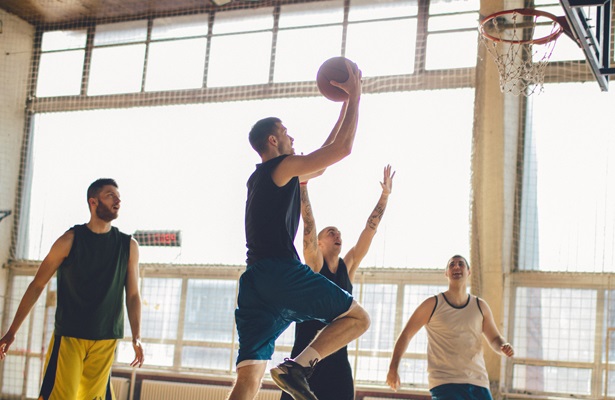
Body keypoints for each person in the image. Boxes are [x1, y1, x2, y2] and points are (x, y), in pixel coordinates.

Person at [227, 59, 370, 400]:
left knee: (248, 381)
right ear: (274, 140)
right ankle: (298, 366)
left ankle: (294, 367)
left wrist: (346, 104)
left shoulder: (263, 177)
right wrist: (357, 95)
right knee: (358, 319)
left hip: (255, 282)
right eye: (287, 132)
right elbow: (342, 150)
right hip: (279, 272)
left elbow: (322, 157)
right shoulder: (281, 166)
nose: (293, 137)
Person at [0, 178, 144, 400]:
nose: (118, 200)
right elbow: (37, 285)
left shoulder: (128, 246)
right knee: (61, 397)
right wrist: (11, 332)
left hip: (106, 338)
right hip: (70, 336)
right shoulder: (69, 240)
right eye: (110, 195)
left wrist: (136, 336)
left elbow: (133, 295)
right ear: (93, 202)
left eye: (118, 196)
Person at [280, 164, 395, 400]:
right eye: (331, 232)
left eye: (339, 233)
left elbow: (369, 230)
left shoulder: (348, 266)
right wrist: (303, 186)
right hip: (304, 358)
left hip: (337, 360)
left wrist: (384, 196)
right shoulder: (314, 264)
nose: (337, 235)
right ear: (320, 243)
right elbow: (308, 225)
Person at [386, 255, 514, 400]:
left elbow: (495, 338)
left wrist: (503, 346)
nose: (456, 267)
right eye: (451, 265)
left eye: (461, 264)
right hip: (445, 383)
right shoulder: (432, 304)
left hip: (478, 383)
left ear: (469, 272)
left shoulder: (480, 306)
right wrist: (393, 367)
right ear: (446, 273)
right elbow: (406, 335)